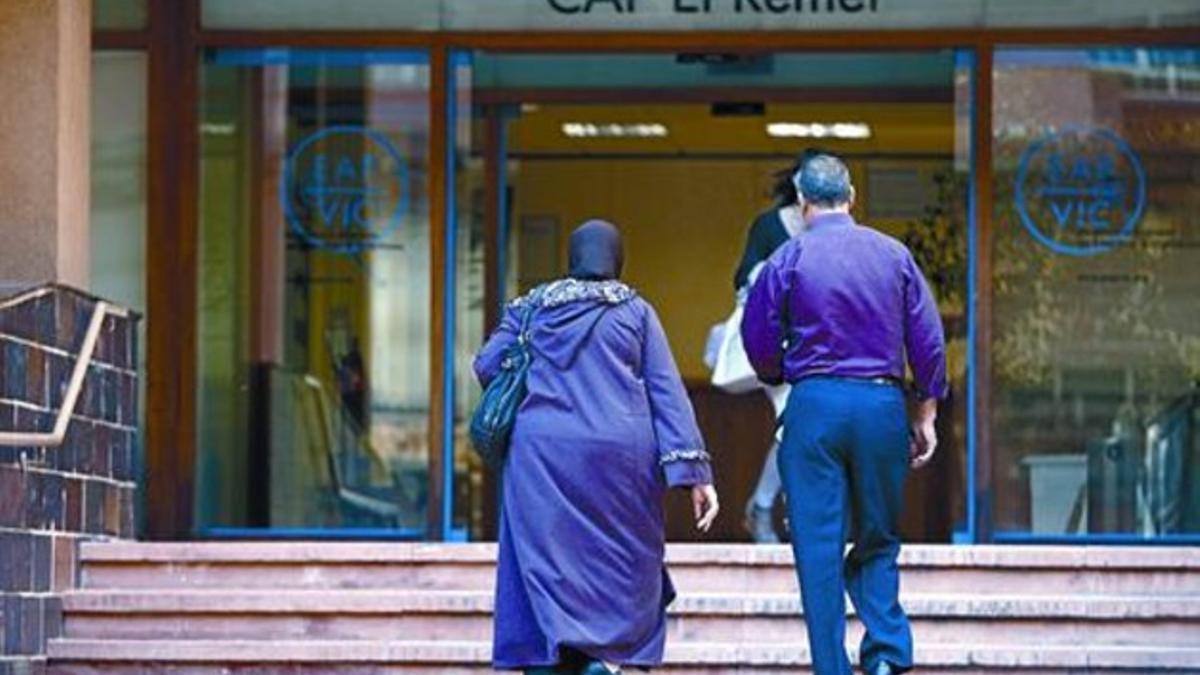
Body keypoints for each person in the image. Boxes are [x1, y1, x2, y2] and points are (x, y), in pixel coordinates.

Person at [475, 219, 721, 675]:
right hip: (620, 455)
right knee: (621, 558)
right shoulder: (636, 312)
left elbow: (487, 365)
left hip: (541, 454)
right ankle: (606, 658)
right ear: (616, 259)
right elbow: (666, 391)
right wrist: (694, 474)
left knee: (545, 557)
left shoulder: (531, 307)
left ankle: (554, 658)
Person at [741, 154, 947, 675]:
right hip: (880, 404)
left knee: (817, 545)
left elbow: (758, 339)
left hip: (814, 407)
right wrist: (925, 412)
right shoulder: (893, 255)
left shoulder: (789, 258)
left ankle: (830, 667)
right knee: (878, 534)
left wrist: (780, 372)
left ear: (803, 202)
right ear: (852, 197)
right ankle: (885, 654)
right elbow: (928, 343)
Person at [734, 149, 820, 543]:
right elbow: (743, 280)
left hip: (819, 347)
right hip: (777, 343)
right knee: (794, 423)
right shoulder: (768, 226)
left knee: (801, 427)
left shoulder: (834, 229)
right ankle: (772, 507)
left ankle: (767, 505)